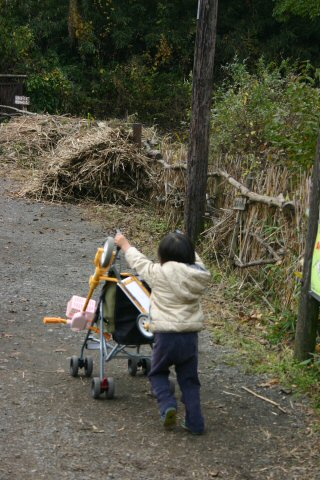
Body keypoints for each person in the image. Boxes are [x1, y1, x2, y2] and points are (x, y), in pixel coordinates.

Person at [115, 231, 211, 435]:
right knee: (189, 380)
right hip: (189, 337)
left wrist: (125, 244)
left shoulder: (158, 272)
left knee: (158, 372)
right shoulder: (200, 275)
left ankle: (168, 405)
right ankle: (195, 423)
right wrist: (187, 242)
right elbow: (196, 260)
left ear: (162, 256)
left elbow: (138, 262)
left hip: (166, 336)